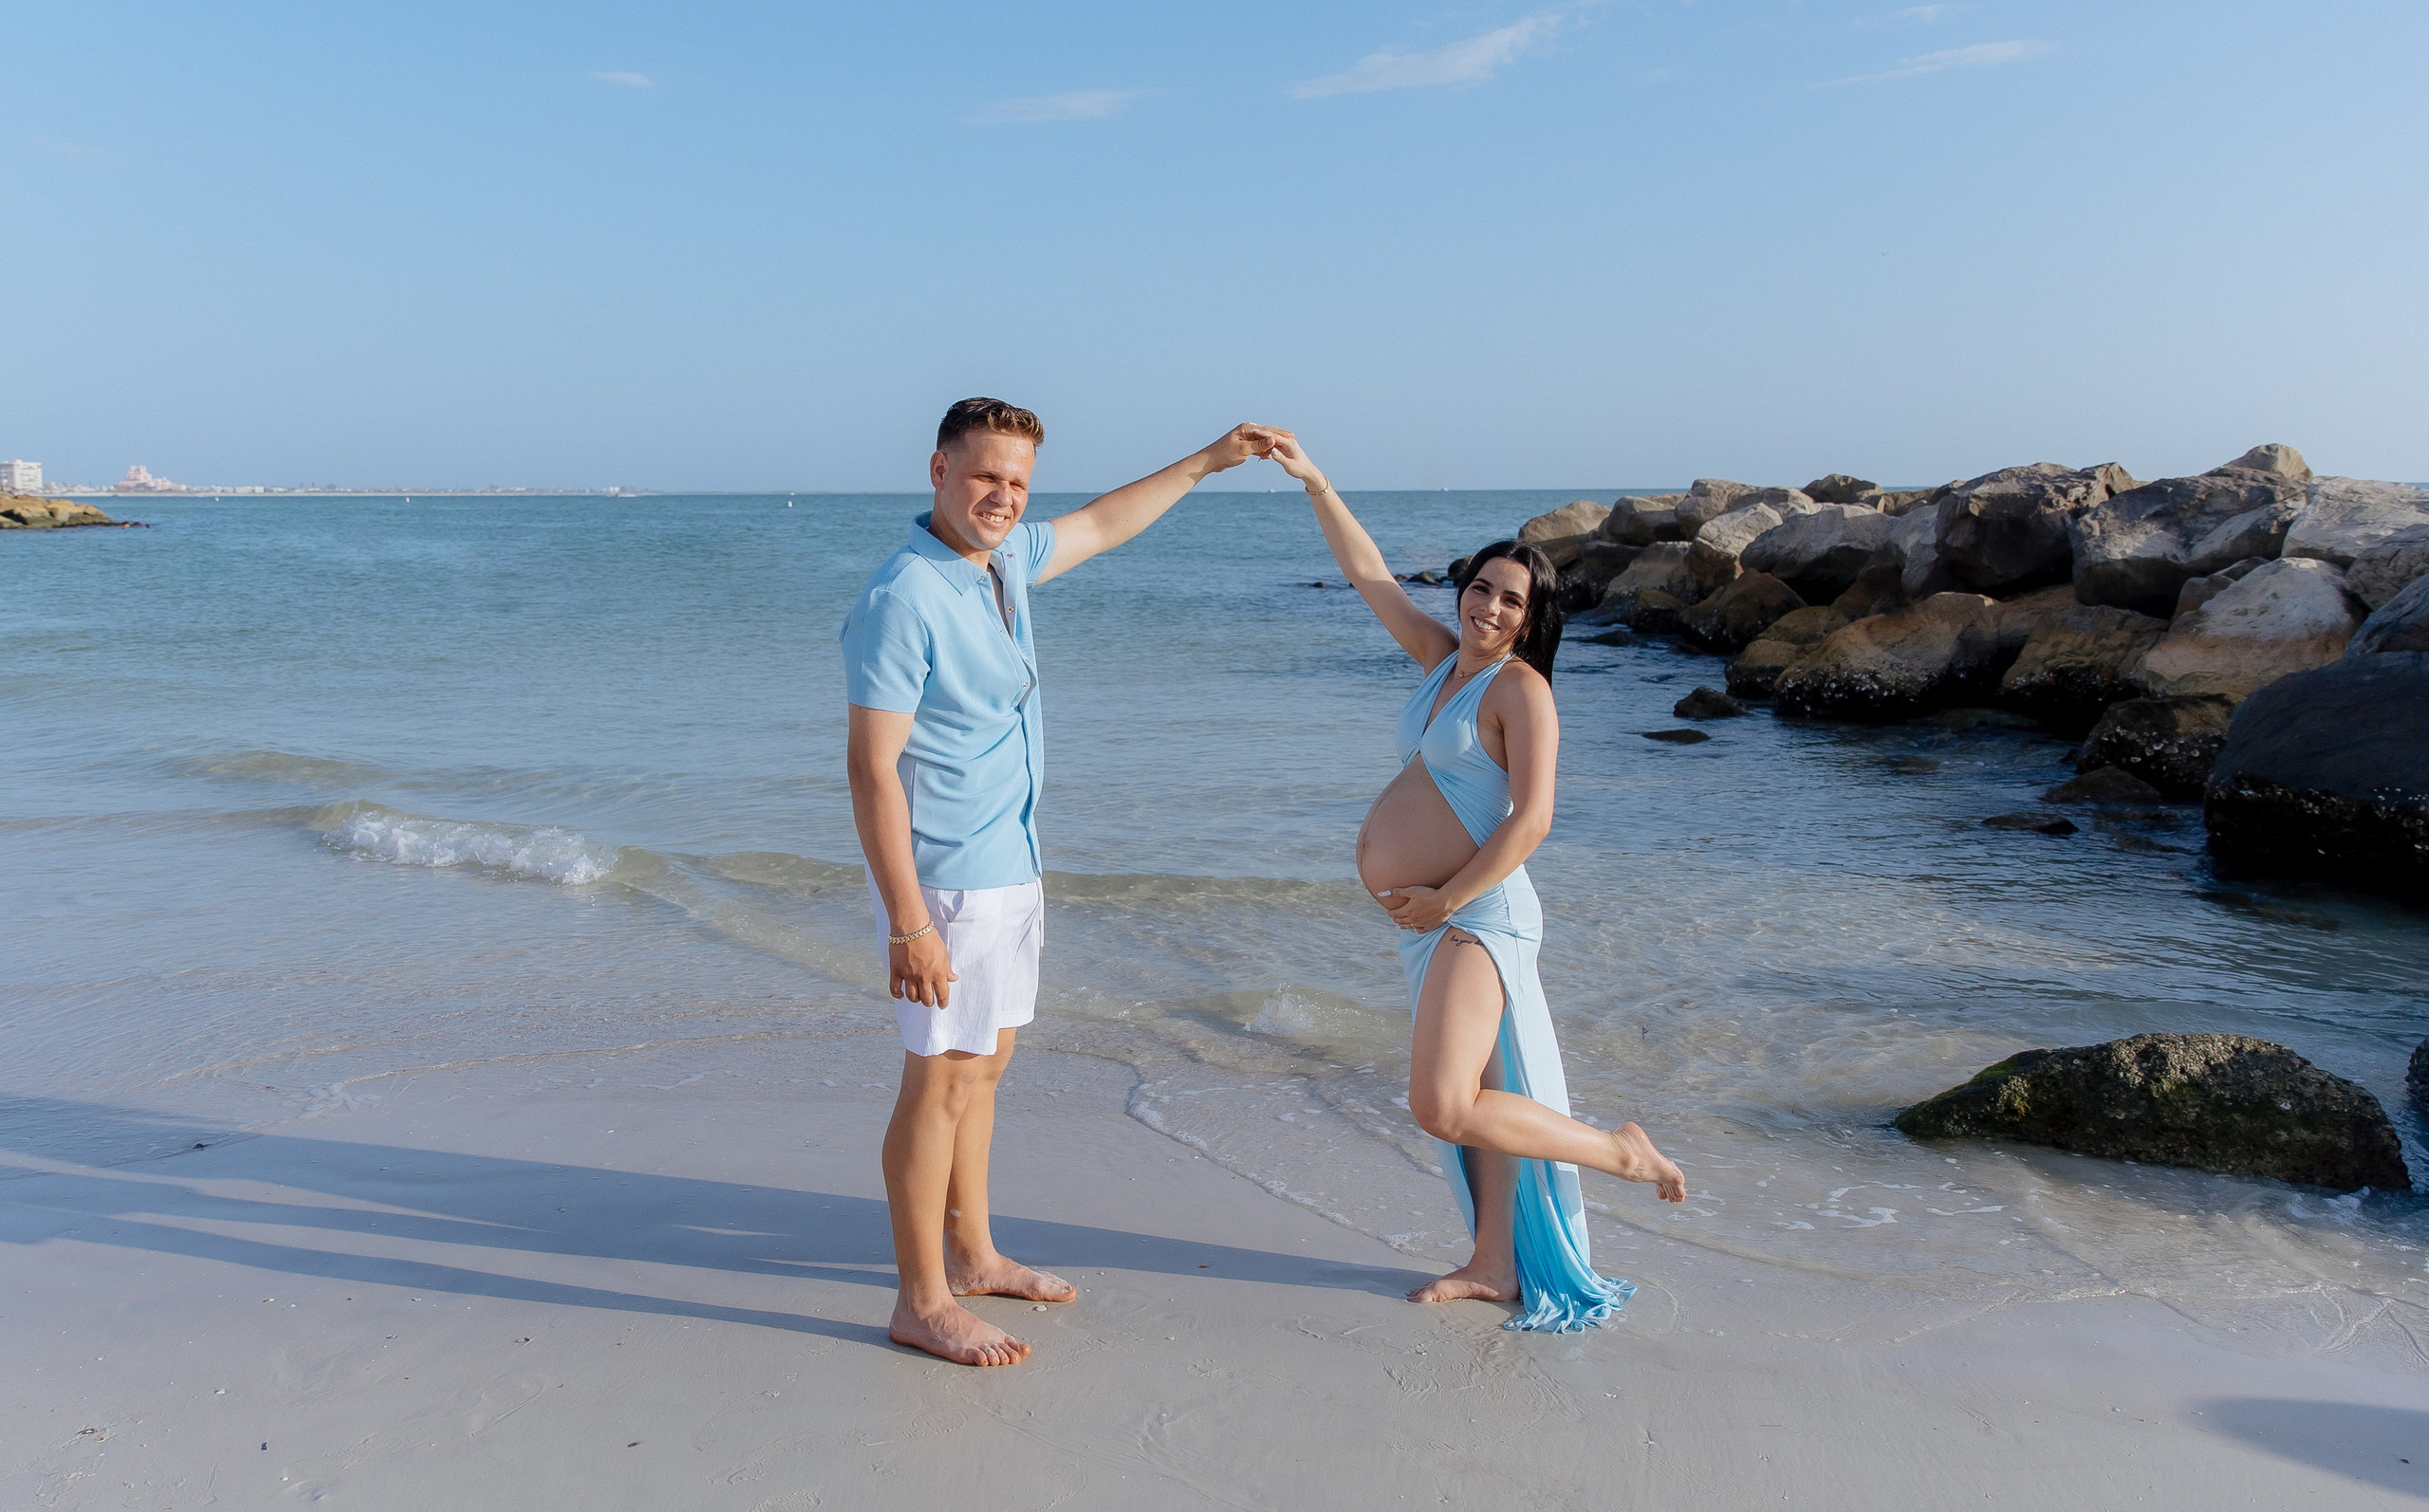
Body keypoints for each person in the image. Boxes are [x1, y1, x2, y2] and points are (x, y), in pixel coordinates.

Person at [842, 397, 1280, 1366]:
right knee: (938, 1082)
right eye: (984, 475)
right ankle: (920, 1299)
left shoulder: (1000, 562)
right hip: (946, 878)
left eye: (1017, 482)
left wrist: (1208, 460)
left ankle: (973, 1253)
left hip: (1013, 862)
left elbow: (1105, 522)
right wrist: (909, 921)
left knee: (985, 1069)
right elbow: (871, 770)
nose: (1002, 496)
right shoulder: (902, 596)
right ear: (939, 471)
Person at [1261, 433, 1687, 1332]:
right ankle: (1494, 1264)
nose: (1489, 607)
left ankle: (1621, 1152)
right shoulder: (1441, 663)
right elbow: (1370, 575)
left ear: (1531, 620)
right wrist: (1318, 482)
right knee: (1487, 1098)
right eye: (1481, 587)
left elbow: (1533, 819)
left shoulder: (1520, 690)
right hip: (1434, 920)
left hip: (1476, 912)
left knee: (1444, 1104)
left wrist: (1446, 898)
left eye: (1511, 600)